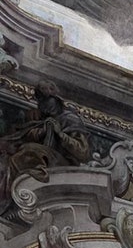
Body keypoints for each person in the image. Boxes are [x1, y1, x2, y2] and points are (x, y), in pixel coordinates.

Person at [0, 80, 92, 214]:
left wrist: (60, 134)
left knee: (29, 151)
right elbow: (23, 134)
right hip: (41, 154)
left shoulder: (69, 119)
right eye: (41, 101)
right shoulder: (37, 116)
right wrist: (40, 130)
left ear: (55, 100)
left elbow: (82, 151)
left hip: (62, 164)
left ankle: (13, 200)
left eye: (46, 101)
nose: (43, 106)